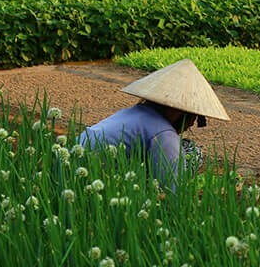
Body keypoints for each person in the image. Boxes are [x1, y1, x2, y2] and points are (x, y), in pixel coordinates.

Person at [77, 59, 229, 189]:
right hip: (99, 178)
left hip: (75, 166)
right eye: (193, 118)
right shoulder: (162, 133)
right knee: (193, 152)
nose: (191, 125)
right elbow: (173, 188)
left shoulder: (132, 114)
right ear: (180, 113)